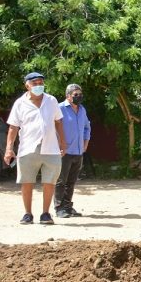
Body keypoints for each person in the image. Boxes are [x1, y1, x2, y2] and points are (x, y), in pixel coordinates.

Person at [4, 72, 67, 225]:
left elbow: (58, 122)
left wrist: (63, 142)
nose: (39, 86)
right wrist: (9, 149)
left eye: (41, 82)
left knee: (49, 182)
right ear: (27, 85)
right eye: (35, 83)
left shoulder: (51, 100)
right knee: (27, 182)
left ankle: (45, 214)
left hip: (50, 148)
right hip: (28, 149)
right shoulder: (20, 103)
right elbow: (13, 127)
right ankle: (27, 214)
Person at [54, 84, 91, 218]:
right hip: (64, 151)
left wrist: (85, 143)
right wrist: (58, 145)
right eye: (76, 95)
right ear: (68, 96)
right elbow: (53, 128)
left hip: (78, 151)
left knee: (71, 181)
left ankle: (68, 207)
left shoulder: (82, 110)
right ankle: (59, 208)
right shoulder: (59, 108)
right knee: (61, 181)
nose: (79, 97)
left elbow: (87, 127)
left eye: (80, 94)